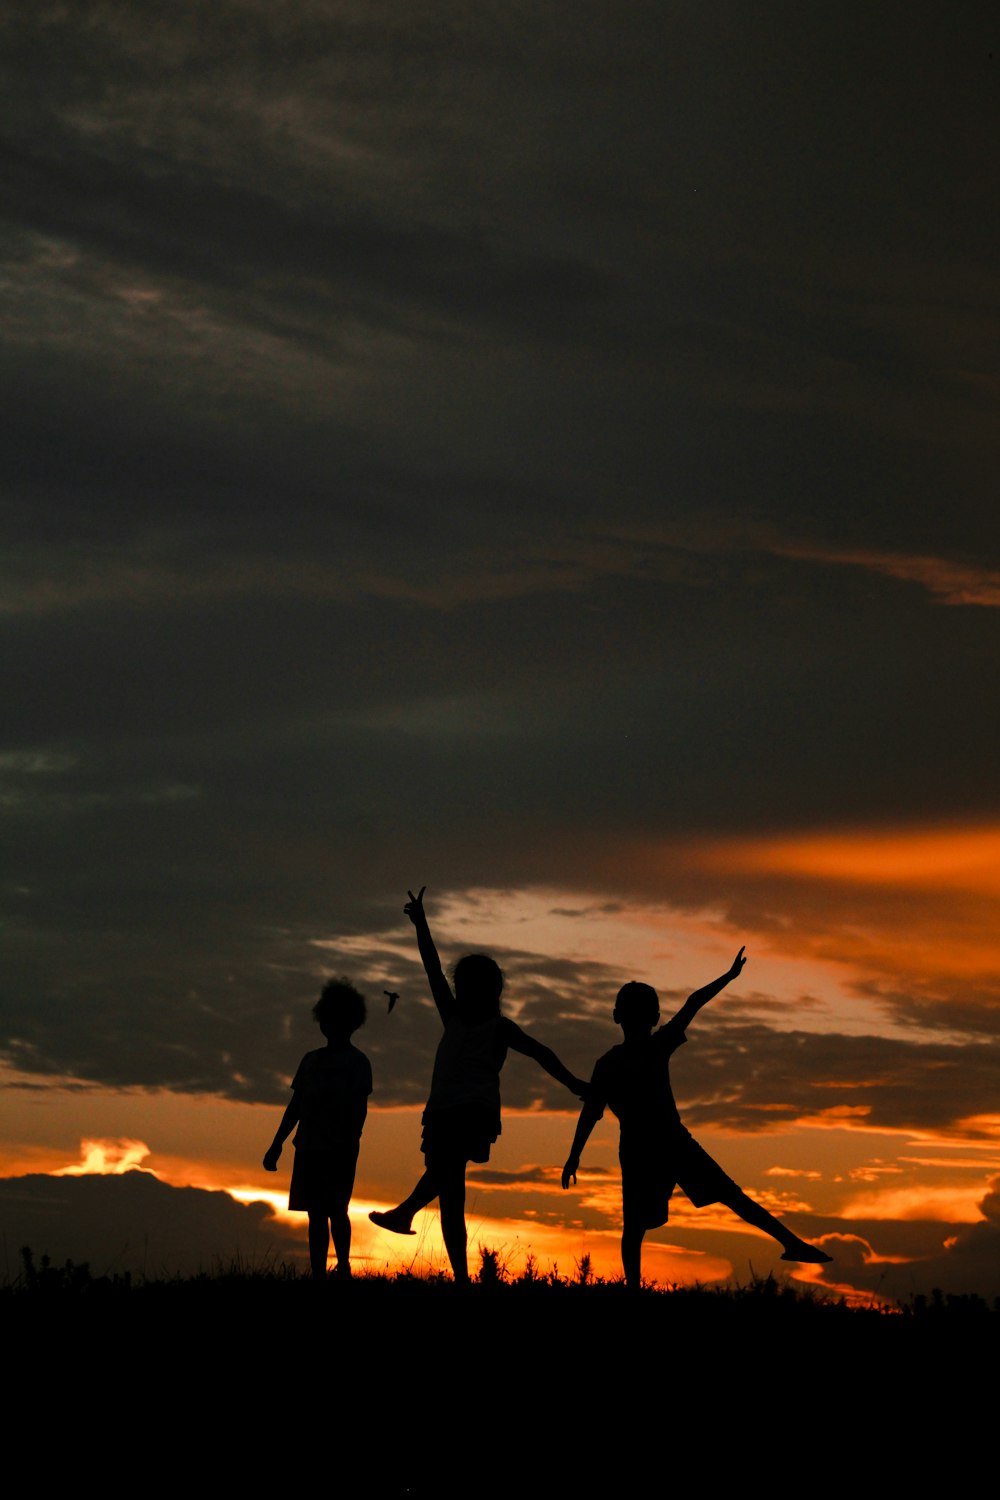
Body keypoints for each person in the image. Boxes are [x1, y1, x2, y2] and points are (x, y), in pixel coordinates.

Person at [562, 948, 832, 1289]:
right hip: (651, 1150)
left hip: (665, 1145)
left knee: (653, 1221)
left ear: (618, 1016)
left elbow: (591, 1113)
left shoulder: (618, 1060)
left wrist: (574, 1156)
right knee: (648, 1222)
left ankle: (792, 1244)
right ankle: (791, 1244)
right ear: (653, 1017)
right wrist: (574, 1155)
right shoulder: (630, 1057)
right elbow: (691, 1004)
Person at [369, 886, 587, 1285]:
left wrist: (575, 1083)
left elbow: (541, 1052)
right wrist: (422, 925)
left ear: (490, 992)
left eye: (472, 986)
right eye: (463, 985)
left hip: (473, 1111)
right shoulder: (451, 1016)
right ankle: (462, 1279)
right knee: (451, 1195)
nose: (463, 991)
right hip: (440, 1111)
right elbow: (432, 969)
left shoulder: (499, 1027)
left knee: (447, 1170)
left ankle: (405, 1212)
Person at [264, 978, 372, 1280]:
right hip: (309, 1147)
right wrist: (277, 1144)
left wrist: (349, 1138)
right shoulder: (310, 1061)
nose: (328, 1023)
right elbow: (295, 1105)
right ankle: (318, 1273)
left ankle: (344, 1267)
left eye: (335, 1017)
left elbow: (358, 1108)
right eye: (325, 1016)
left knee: (337, 1209)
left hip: (340, 1148)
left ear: (350, 1022)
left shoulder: (357, 1062)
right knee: (315, 1213)